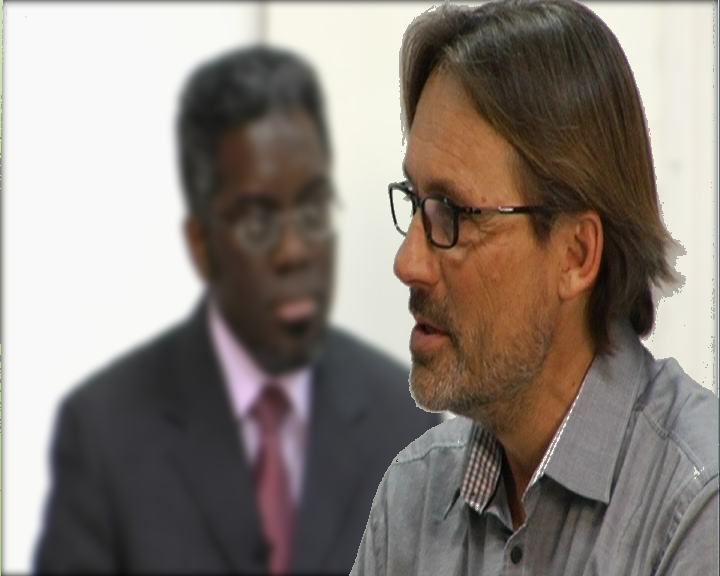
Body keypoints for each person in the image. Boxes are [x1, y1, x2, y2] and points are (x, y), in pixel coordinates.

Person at [34, 46, 440, 575]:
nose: (295, 250)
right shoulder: (103, 434)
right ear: (201, 243)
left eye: (313, 209)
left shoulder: (405, 423)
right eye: (257, 221)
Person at [351, 1, 719, 574]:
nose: (408, 262)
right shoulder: (412, 500)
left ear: (576, 255)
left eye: (452, 213)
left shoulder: (696, 507)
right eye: (416, 203)